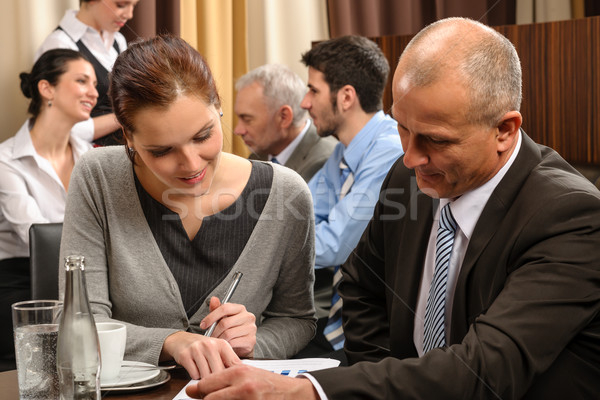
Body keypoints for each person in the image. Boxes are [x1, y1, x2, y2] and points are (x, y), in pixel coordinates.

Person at [186, 17, 600, 399]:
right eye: (403, 127)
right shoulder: (411, 177)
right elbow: (362, 284)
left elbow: (484, 369)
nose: (410, 157)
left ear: (505, 131)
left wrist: (306, 392)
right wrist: (381, 384)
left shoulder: (572, 218)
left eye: (436, 140)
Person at [58, 35, 317, 380]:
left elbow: (298, 320)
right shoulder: (98, 177)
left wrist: (255, 343)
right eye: (162, 151)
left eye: (203, 136)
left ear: (218, 106)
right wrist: (172, 342)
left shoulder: (287, 194)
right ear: (129, 137)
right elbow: (80, 325)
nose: (191, 164)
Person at [295, 35, 403, 360]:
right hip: (343, 325)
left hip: (379, 336)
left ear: (345, 97)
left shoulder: (389, 151)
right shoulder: (345, 150)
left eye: (313, 90)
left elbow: (332, 246)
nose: (305, 102)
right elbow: (301, 217)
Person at [0, 49, 96, 369]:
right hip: (21, 281)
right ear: (47, 89)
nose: (94, 93)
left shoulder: (92, 159)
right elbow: (36, 239)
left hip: (82, 276)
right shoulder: (6, 160)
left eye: (95, 83)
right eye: (82, 81)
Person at [36, 0, 139, 145]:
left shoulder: (118, 40)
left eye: (134, 6)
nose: (129, 15)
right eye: (121, 5)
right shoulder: (60, 44)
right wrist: (126, 117)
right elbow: (60, 127)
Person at [234, 63, 336, 182]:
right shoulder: (258, 157)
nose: (238, 130)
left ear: (284, 117)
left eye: (247, 120)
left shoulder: (322, 162)